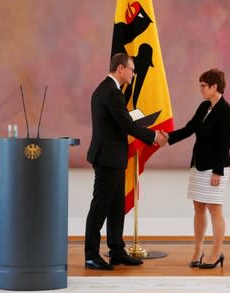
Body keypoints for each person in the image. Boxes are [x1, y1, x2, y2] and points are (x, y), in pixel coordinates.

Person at [85, 53, 167, 270]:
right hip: (107, 158)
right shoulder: (111, 92)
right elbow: (127, 125)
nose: (134, 74)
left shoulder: (109, 90)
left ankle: (117, 250)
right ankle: (91, 255)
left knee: (116, 207)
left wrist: (140, 127)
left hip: (113, 157)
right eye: (131, 69)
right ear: (120, 68)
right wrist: (153, 137)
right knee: (100, 208)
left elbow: (121, 122)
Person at [164, 68, 230, 269]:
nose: (200, 89)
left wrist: (218, 171)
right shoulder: (204, 106)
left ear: (214, 86)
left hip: (215, 168)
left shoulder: (225, 110)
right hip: (199, 164)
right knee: (198, 207)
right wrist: (167, 138)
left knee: (215, 210)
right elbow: (190, 128)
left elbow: (224, 143)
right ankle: (198, 250)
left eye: (203, 85)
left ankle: (216, 253)